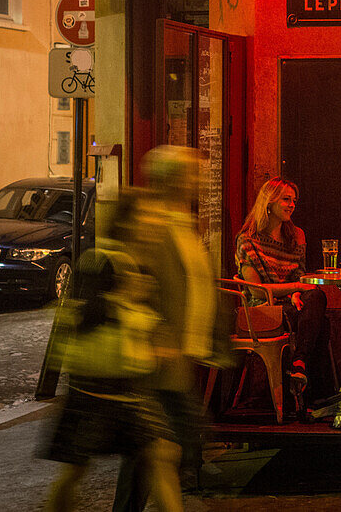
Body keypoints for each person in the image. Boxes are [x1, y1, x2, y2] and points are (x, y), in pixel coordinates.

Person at [43, 193, 181, 512]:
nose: (155, 224)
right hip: (95, 388)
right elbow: (85, 318)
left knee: (162, 454)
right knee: (74, 472)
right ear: (127, 221)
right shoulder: (100, 259)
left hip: (127, 387)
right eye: (147, 217)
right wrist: (130, 304)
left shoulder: (137, 263)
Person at [114, 146, 222, 512]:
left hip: (179, 357)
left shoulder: (180, 220)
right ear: (172, 179)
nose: (199, 180)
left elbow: (193, 282)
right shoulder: (150, 223)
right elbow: (132, 286)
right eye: (192, 173)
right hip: (156, 360)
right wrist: (156, 335)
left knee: (155, 452)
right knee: (165, 448)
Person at [235, 177, 333, 409]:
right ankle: (314, 396)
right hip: (260, 309)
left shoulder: (296, 235)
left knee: (316, 296)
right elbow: (256, 291)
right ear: (268, 203)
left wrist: (296, 292)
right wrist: (296, 289)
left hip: (290, 302)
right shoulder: (248, 240)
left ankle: (299, 365)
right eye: (286, 199)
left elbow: (299, 274)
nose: (292, 205)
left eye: (294, 201)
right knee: (321, 322)